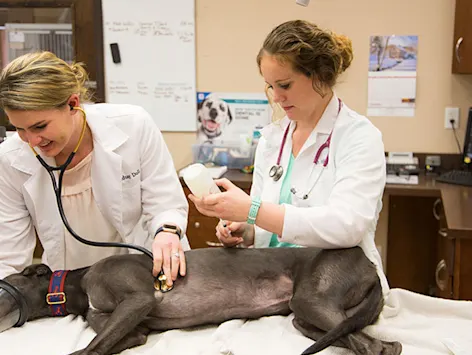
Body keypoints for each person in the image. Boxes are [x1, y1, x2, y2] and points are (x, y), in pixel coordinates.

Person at [189, 20, 389, 295]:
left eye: (285, 85)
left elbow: (347, 227)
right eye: (270, 86)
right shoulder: (273, 139)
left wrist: (253, 210)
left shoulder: (359, 137)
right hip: (272, 281)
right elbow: (266, 224)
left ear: (319, 75)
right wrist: (245, 230)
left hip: (333, 286)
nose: (276, 97)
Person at [0, 51, 188, 287]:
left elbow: (165, 202)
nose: (32, 140)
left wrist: (167, 233)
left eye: (40, 126)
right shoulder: (10, 159)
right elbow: (8, 256)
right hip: (71, 287)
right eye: (20, 129)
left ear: (72, 104)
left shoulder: (133, 126)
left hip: (147, 272)